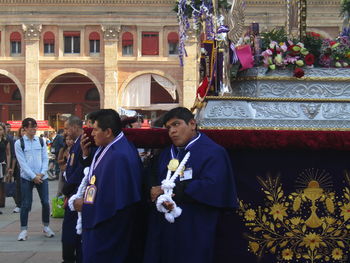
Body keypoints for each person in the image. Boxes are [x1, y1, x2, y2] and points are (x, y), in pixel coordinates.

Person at [143, 107, 238, 263]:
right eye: (169, 128)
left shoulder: (213, 152)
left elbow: (213, 186)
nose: (172, 131)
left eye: (176, 124)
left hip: (194, 226)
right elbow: (152, 176)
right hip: (164, 227)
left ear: (192, 124)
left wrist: (174, 190)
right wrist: (153, 189)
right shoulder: (167, 153)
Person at [72, 109, 143, 263]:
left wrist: (85, 206)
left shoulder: (118, 156)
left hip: (108, 226)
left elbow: (114, 199)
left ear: (108, 131)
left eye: (96, 129)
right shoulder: (110, 147)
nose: (92, 134)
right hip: (103, 220)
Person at [14, 118, 55, 241]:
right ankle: (23, 230)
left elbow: (45, 158)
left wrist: (42, 174)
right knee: (26, 203)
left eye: (35, 127)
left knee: (46, 202)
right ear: (25, 128)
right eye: (31, 127)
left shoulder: (41, 141)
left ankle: (46, 227)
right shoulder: (19, 143)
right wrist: (33, 176)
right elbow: (22, 163)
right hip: (27, 177)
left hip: (42, 176)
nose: (34, 129)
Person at [61, 116, 85, 263]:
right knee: (70, 232)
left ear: (75, 127)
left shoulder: (82, 143)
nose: (65, 132)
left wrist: (67, 191)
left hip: (76, 194)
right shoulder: (75, 144)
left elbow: (79, 171)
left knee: (73, 232)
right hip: (71, 193)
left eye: (66, 128)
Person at [0, 122, 12, 214]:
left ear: (4, 131)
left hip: (2, 164)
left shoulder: (5, 141)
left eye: (1, 129)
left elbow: (8, 154)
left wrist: (8, 166)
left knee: (1, 185)